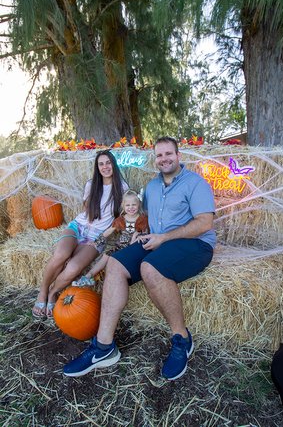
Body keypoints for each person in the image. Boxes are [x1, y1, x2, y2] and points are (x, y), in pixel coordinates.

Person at [63, 137, 216, 380]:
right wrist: (140, 233)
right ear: (155, 159)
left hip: (194, 244)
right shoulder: (153, 187)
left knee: (150, 268)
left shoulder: (195, 184)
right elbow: (145, 219)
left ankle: (182, 339)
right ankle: (104, 347)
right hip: (156, 240)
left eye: (168, 154)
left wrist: (163, 238)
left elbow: (205, 223)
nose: (164, 159)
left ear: (178, 156)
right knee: (115, 262)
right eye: (159, 155)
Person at [32, 150, 128, 318]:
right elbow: (87, 211)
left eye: (108, 163)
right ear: (97, 167)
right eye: (101, 164)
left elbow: (123, 216)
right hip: (78, 227)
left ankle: (52, 293)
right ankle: (42, 292)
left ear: (114, 164)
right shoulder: (91, 185)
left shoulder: (123, 188)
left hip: (97, 237)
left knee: (74, 267)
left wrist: (101, 238)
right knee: (61, 255)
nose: (105, 167)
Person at [72, 190, 149, 287]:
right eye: (128, 205)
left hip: (133, 247)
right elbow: (108, 231)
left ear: (139, 204)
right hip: (121, 246)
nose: (131, 208)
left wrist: (139, 235)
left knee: (116, 259)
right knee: (107, 255)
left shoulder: (142, 219)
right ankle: (88, 276)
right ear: (123, 206)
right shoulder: (121, 219)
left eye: (134, 204)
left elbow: (145, 233)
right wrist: (96, 242)